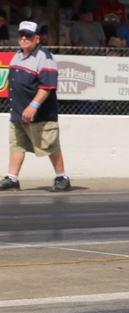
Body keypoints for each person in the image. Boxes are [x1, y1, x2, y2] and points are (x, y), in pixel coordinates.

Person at [2, 21, 71, 192]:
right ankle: (12, 178)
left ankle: (62, 177)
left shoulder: (44, 57)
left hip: (40, 114)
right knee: (17, 145)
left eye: (28, 35)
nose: (24, 38)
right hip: (18, 111)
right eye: (21, 35)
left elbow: (47, 86)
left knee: (49, 144)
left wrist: (33, 105)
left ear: (37, 38)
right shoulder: (17, 55)